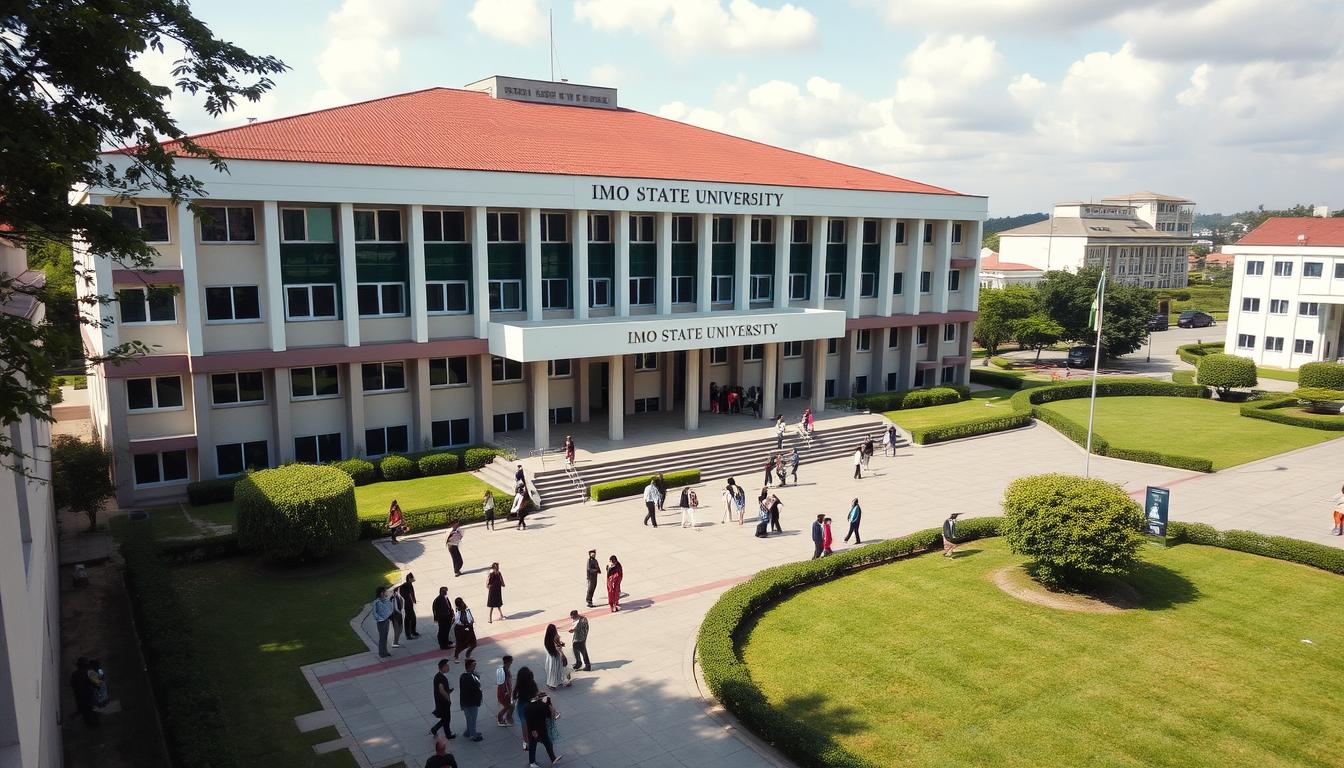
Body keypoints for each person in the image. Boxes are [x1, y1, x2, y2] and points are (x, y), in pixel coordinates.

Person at [524, 690, 561, 767]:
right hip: (542, 728)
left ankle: (532, 762)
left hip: (532, 730)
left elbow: (528, 720)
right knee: (547, 743)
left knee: (532, 745)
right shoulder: (542, 705)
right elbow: (550, 716)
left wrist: (533, 730)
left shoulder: (527, 707)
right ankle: (553, 758)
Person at [512, 666, 538, 750]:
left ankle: (525, 741)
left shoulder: (519, 684)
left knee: (524, 722)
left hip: (521, 705)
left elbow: (515, 695)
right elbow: (535, 694)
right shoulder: (532, 683)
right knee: (531, 722)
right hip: (530, 704)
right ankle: (532, 736)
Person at [458, 658, 484, 742]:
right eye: (473, 665)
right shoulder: (469, 677)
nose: (475, 667)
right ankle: (473, 735)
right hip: (471, 702)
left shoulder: (464, 676)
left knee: (469, 718)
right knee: (472, 719)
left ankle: (469, 732)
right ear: (469, 666)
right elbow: (476, 687)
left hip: (466, 702)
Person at [430, 658, 456, 739]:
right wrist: (448, 698)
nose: (448, 667)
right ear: (443, 667)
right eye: (447, 666)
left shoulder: (438, 676)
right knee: (447, 718)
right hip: (443, 702)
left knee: (445, 718)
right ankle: (448, 735)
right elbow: (441, 690)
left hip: (440, 701)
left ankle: (434, 729)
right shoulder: (441, 677)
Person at [69, 658, 98, 726]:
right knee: (91, 710)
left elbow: (73, 685)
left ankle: (87, 722)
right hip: (89, 696)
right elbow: (97, 684)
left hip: (79, 697)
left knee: (84, 712)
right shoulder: (90, 673)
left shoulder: (74, 674)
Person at [542, 623, 571, 689]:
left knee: (552, 670)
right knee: (558, 670)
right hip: (556, 657)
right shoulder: (555, 637)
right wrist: (563, 655)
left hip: (551, 657)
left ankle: (552, 684)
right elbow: (558, 649)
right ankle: (559, 682)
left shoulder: (547, 639)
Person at [372, 586, 394, 657]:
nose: (387, 592)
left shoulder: (386, 600)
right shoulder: (376, 602)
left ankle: (385, 651)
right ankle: (382, 653)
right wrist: (380, 619)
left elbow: (390, 607)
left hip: (386, 620)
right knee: (382, 638)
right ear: (382, 593)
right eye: (385, 591)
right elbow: (375, 613)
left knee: (385, 637)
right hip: (381, 622)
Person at [431, 586, 455, 651]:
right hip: (443, 619)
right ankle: (443, 645)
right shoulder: (438, 600)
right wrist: (437, 618)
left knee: (447, 631)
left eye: (446, 591)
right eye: (445, 591)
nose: (446, 592)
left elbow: (449, 606)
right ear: (441, 592)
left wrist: (451, 612)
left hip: (448, 618)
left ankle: (446, 642)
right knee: (442, 631)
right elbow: (435, 610)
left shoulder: (445, 597)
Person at [495, 655, 515, 727]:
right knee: (508, 706)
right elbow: (502, 685)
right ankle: (500, 719)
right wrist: (506, 693)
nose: (511, 663)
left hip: (507, 692)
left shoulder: (506, 670)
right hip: (504, 694)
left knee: (510, 706)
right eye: (511, 661)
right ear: (507, 662)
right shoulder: (503, 671)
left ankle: (506, 718)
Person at [400, 573, 420, 639]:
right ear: (409, 579)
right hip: (407, 605)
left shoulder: (409, 584)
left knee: (413, 618)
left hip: (410, 604)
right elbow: (405, 596)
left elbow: (412, 594)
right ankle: (408, 635)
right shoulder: (405, 586)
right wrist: (411, 600)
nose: (413, 580)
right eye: (411, 578)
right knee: (408, 619)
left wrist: (414, 601)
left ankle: (413, 631)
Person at [389, 581, 406, 648]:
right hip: (395, 615)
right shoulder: (393, 598)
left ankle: (396, 641)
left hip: (398, 614)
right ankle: (395, 642)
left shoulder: (398, 596)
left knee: (400, 628)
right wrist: (400, 613)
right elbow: (394, 608)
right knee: (397, 629)